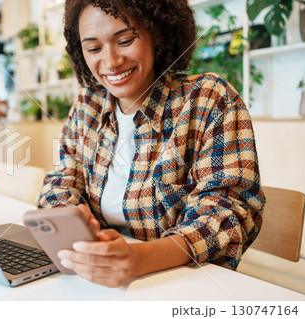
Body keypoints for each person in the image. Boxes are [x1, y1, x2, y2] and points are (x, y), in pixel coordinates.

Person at [36, 0, 266, 288]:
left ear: (158, 31)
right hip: (95, 281)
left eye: (125, 40)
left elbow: (225, 214)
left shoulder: (208, 100)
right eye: (94, 48)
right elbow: (61, 177)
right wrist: (71, 214)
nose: (110, 62)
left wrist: (138, 258)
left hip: (179, 284)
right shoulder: (88, 104)